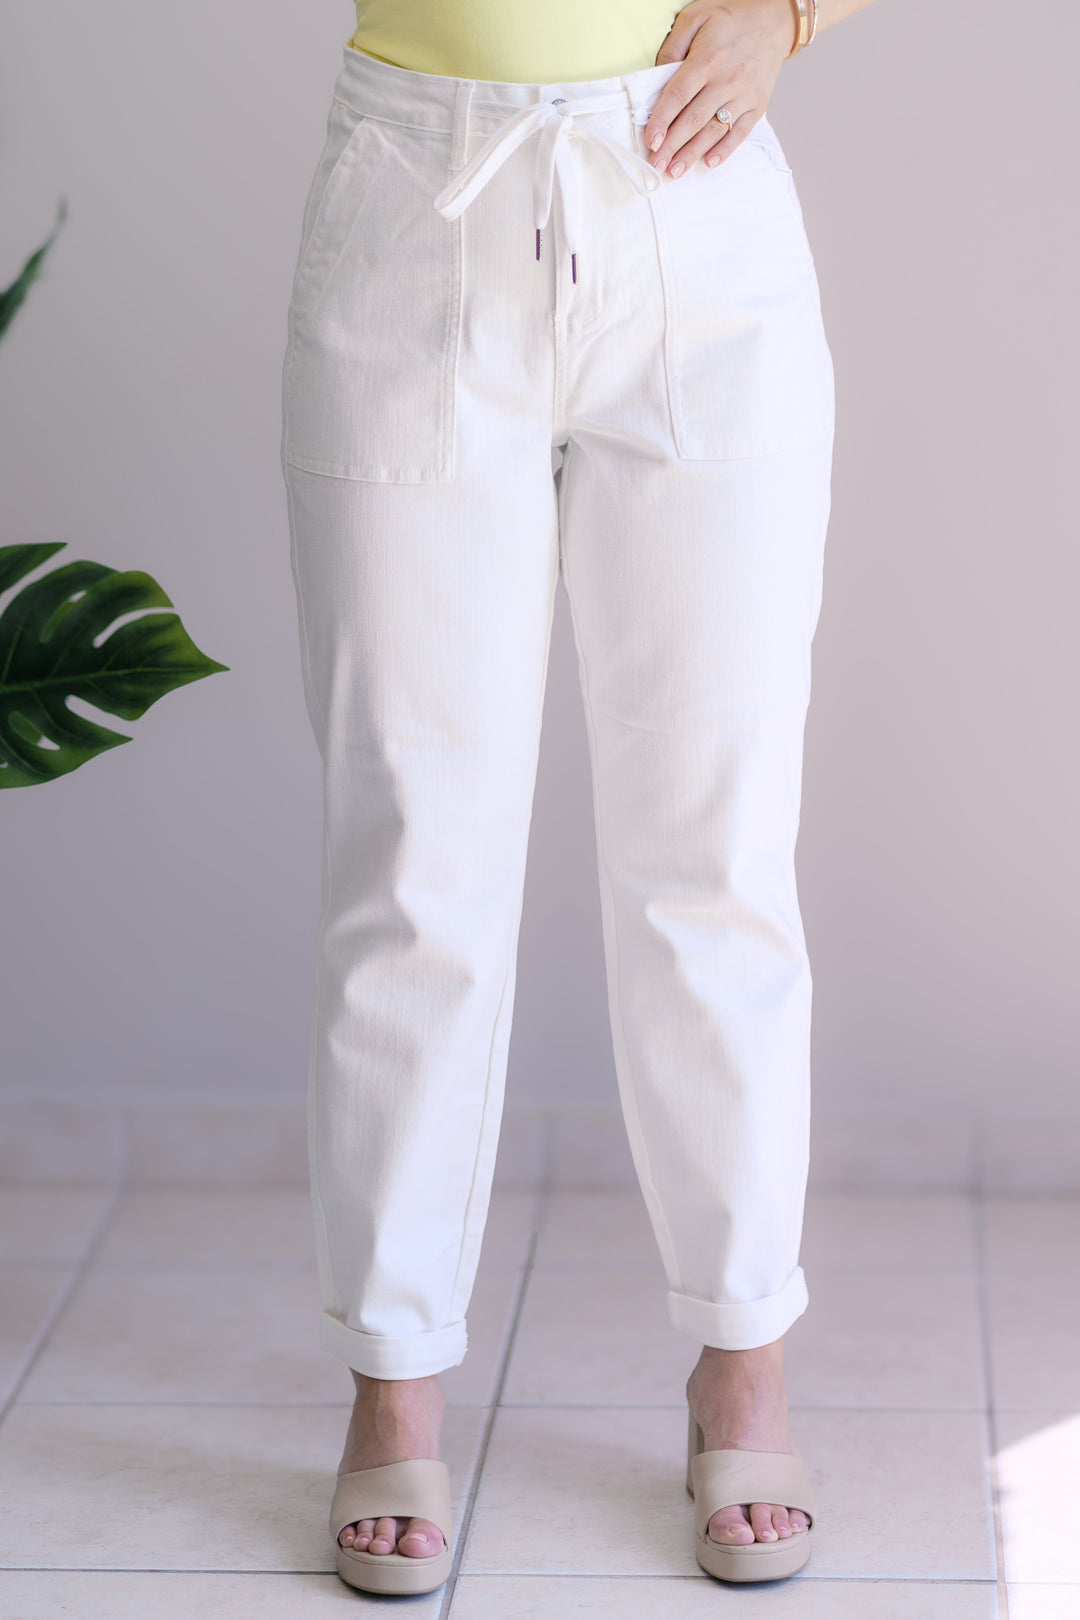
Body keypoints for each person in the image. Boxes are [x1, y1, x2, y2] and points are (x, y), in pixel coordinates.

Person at [281, 0, 878, 1595]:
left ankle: (741, 1363)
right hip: (416, 192)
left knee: (715, 847)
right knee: (411, 850)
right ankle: (393, 1383)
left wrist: (792, 14)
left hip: (695, 212)